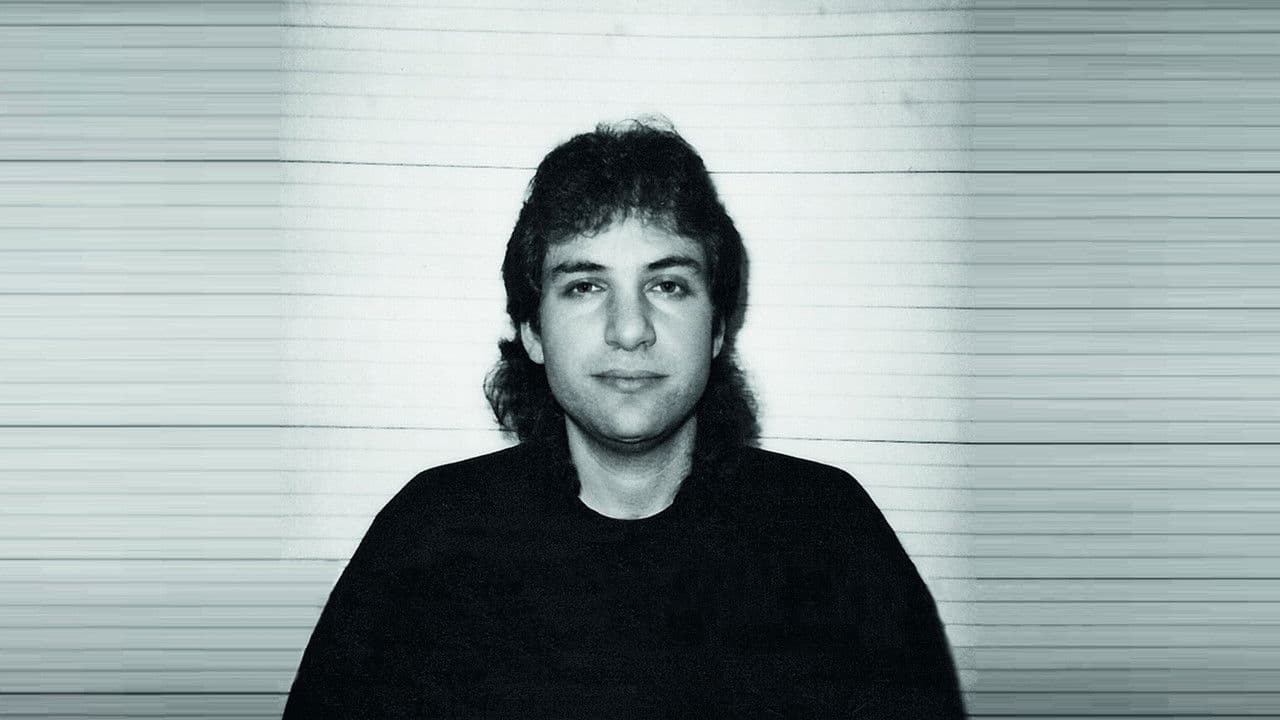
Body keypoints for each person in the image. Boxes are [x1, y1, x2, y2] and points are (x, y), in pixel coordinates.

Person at [283, 120, 967, 718]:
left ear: (717, 326)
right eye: (586, 286)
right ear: (532, 331)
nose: (630, 329)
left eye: (667, 284)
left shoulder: (829, 533)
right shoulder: (427, 539)